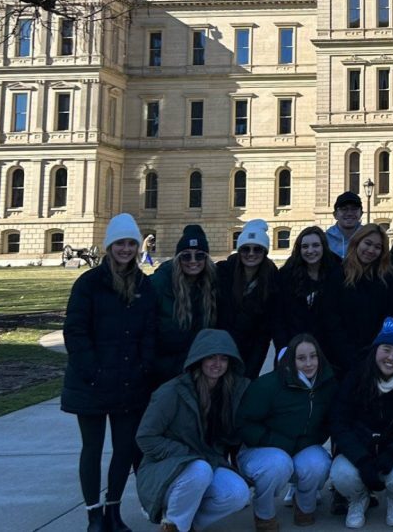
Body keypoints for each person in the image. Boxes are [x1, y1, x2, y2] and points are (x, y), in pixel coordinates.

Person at [61, 212, 157, 532]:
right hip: (92, 381)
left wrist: (144, 366)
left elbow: (150, 332)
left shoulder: (144, 285)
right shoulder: (88, 284)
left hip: (130, 382)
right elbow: (75, 332)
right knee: (92, 448)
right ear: (109, 246)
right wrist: (92, 371)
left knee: (124, 449)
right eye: (120, 243)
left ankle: (114, 511)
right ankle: (93, 515)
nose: (126, 249)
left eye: (131, 242)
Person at [135, 329, 251, 532]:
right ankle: (173, 523)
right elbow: (145, 437)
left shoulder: (230, 391)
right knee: (199, 470)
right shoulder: (171, 392)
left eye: (224, 358)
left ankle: (186, 526)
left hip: (207, 463)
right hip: (166, 468)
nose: (217, 364)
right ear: (199, 359)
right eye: (211, 357)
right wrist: (186, 456)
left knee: (238, 493)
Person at [329, 318, 393, 529]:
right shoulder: (355, 377)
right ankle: (358, 499)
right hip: (359, 452)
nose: (391, 357)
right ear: (375, 349)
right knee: (342, 474)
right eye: (386, 349)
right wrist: (362, 459)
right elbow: (339, 422)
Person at [238, 333, 338, 529]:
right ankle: (264, 514)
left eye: (313, 356)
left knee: (318, 462)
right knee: (277, 463)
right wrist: (282, 443)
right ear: (291, 360)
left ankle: (304, 507)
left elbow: (328, 422)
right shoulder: (268, 385)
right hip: (261, 450)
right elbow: (244, 423)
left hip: (301, 447)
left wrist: (305, 442)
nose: (309, 363)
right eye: (301, 358)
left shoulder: (327, 383)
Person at [321, 224, 393, 377]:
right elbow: (331, 319)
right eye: (367, 243)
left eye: (377, 247)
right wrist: (348, 356)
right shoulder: (338, 276)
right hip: (342, 359)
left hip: (377, 357)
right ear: (357, 242)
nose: (371, 251)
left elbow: (392, 317)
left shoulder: (389, 278)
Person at [149, 224, 219, 389]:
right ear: (178, 258)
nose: (193, 261)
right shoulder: (159, 283)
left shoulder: (213, 284)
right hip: (163, 371)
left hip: (197, 369)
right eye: (186, 256)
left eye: (199, 256)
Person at [217, 219, 279, 380]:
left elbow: (264, 333)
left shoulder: (272, 280)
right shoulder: (223, 272)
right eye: (245, 249)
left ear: (264, 252)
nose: (251, 254)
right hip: (221, 348)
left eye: (257, 249)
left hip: (250, 349)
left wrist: (253, 369)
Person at [274, 226, 340, 351]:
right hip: (294, 346)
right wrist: (283, 349)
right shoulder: (286, 275)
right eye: (305, 247)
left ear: (323, 247)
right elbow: (279, 316)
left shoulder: (338, 272)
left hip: (330, 349)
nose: (310, 251)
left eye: (315, 245)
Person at [326, 191, 364, 258]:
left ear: (361, 213)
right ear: (335, 214)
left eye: (354, 209)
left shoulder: (368, 237)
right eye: (344, 209)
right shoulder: (324, 239)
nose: (349, 213)